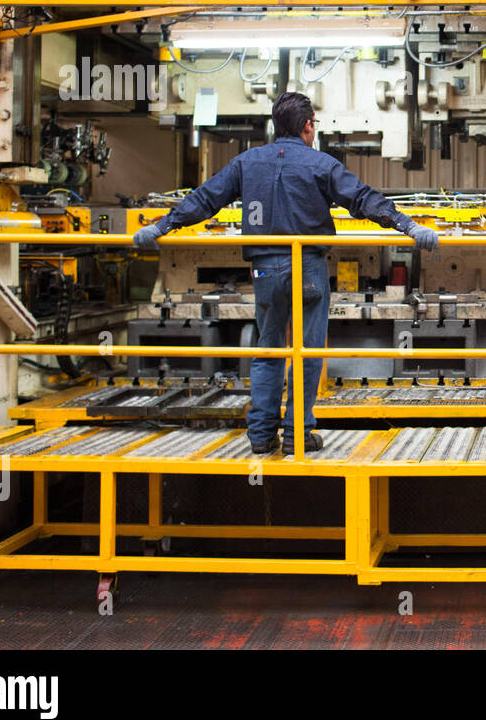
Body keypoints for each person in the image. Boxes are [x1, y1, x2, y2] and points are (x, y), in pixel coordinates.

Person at [133, 91, 439, 453]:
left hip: (265, 271)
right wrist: (409, 227)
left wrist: (160, 227)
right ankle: (297, 433)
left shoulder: (247, 162)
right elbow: (363, 198)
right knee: (307, 351)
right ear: (308, 126)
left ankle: (261, 437)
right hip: (307, 268)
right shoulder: (320, 164)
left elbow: (205, 199)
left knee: (269, 350)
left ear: (275, 126)